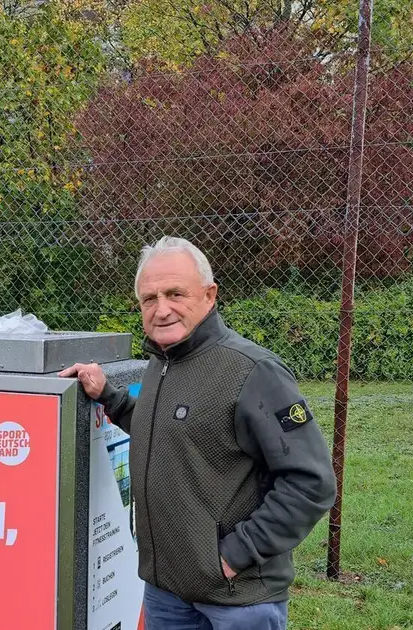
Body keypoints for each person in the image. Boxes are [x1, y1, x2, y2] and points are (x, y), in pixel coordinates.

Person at [60, 236, 336, 630]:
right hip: (166, 591)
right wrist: (107, 395)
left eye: (176, 293)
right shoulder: (162, 361)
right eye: (149, 298)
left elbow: (312, 482)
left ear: (209, 295)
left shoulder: (252, 372)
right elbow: (167, 432)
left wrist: (233, 555)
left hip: (236, 600)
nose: (162, 309)